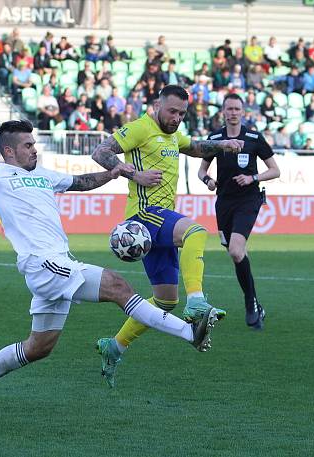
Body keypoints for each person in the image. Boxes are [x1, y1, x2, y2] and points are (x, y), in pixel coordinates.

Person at [0, 120, 221, 414]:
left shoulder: (43, 176)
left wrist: (114, 172)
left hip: (56, 265)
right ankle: (191, 333)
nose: (34, 149)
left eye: (34, 144)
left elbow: (81, 182)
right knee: (118, 286)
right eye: (27, 145)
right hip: (43, 264)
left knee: (39, 348)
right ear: (9, 151)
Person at [90, 84, 244, 387]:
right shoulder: (140, 128)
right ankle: (198, 301)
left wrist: (224, 145)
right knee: (196, 232)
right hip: (144, 215)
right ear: (158, 105)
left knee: (164, 301)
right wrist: (134, 174)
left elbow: (196, 147)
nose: (176, 118)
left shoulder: (174, 135)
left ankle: (115, 346)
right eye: (172, 111)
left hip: (158, 222)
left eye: (182, 113)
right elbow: (100, 151)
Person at [198, 93, 279, 328]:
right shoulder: (215, 139)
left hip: (248, 200)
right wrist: (208, 181)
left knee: (235, 251)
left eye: (237, 109)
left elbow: (275, 170)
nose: (233, 112)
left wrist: (253, 177)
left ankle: (250, 302)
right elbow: (202, 171)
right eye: (229, 109)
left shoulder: (253, 138)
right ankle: (255, 303)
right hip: (224, 202)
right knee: (237, 253)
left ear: (243, 112)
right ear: (223, 112)